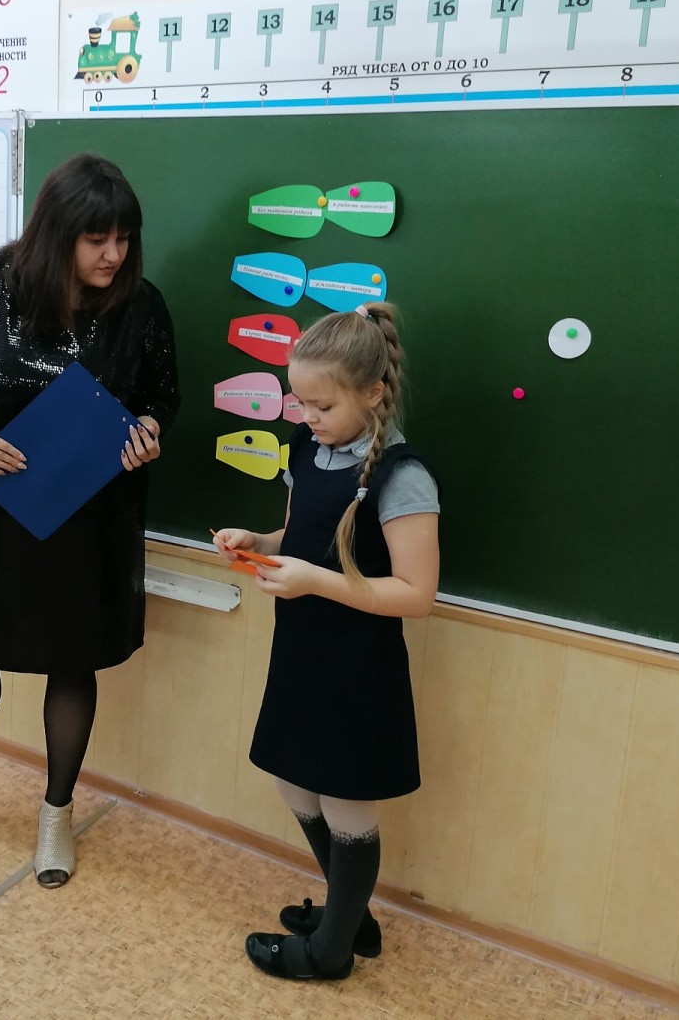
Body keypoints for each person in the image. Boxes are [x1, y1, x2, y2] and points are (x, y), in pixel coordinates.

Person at [0, 153, 179, 887]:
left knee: (72, 661)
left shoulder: (141, 306)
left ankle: (56, 813)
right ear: (58, 232)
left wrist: (149, 431)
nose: (113, 254)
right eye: (97, 239)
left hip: (91, 516)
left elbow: (162, 396)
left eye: (124, 238)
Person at [213, 303, 439, 981]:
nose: (307, 416)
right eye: (300, 402)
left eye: (323, 405)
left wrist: (316, 580)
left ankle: (331, 951)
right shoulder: (308, 449)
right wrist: (259, 542)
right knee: (293, 781)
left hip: (357, 665)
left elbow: (416, 593)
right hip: (302, 651)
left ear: (372, 392)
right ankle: (351, 915)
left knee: (345, 802)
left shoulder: (402, 475)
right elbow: (302, 534)